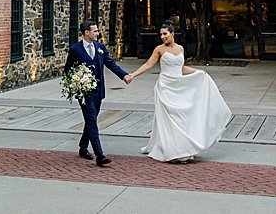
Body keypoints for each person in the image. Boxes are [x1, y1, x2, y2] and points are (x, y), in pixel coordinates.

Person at [125, 21, 233, 163]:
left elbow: (181, 67)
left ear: (172, 33)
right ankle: (173, 150)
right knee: (171, 118)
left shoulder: (181, 48)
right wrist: (132, 75)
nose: (163, 37)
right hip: (165, 87)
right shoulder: (159, 49)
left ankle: (183, 148)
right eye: (161, 34)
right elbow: (148, 64)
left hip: (179, 86)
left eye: (165, 34)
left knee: (182, 117)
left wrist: (199, 72)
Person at [64, 20, 130, 166]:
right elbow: (68, 69)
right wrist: (78, 79)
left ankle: (82, 147)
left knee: (91, 119)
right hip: (84, 92)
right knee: (92, 119)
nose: (97, 33)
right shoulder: (75, 49)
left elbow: (110, 63)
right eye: (95, 31)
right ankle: (100, 155)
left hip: (99, 91)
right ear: (86, 32)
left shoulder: (100, 47)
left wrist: (124, 75)